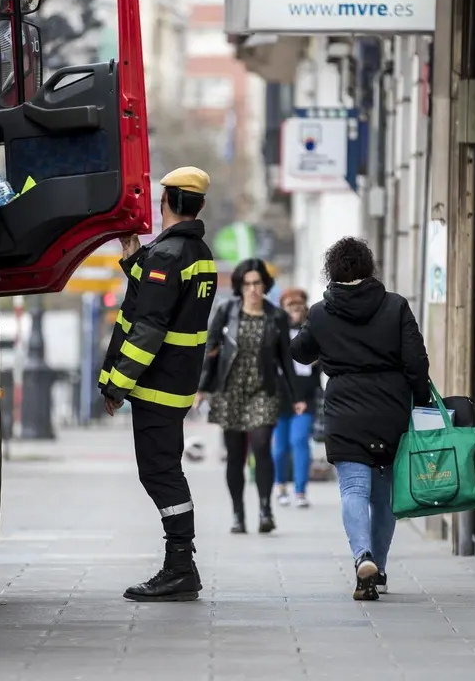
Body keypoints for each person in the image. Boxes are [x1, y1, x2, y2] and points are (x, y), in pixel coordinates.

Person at [98, 166, 218, 603]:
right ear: (199, 205)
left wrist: (117, 385)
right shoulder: (198, 253)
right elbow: (165, 301)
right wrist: (135, 261)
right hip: (178, 383)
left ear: (165, 201)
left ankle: (180, 567)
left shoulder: (167, 256)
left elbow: (149, 326)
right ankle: (180, 565)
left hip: (156, 386)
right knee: (165, 471)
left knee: (161, 474)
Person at [290, 237, 430, 601]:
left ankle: (361, 557)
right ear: (369, 268)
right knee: (383, 499)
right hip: (390, 410)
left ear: (331, 271)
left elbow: (301, 353)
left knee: (353, 489)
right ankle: (378, 569)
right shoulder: (396, 306)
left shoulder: (321, 312)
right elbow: (416, 362)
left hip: (345, 410)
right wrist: (422, 402)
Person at [198, 258, 306, 535]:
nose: (252, 289)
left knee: (260, 446)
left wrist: (296, 396)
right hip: (230, 390)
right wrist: (202, 388)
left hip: (263, 390)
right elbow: (210, 352)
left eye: (257, 283)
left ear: (264, 285)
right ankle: (237, 513)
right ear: (239, 286)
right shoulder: (226, 311)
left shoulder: (276, 316)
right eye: (247, 284)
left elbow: (285, 358)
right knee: (235, 455)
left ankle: (265, 508)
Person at [273, 288, 322, 508]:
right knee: (280, 446)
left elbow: (323, 359)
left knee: (300, 441)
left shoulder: (312, 331)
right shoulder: (275, 331)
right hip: (279, 396)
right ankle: (280, 485)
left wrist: (318, 359)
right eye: (290, 306)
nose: (294, 310)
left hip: (305, 396)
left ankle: (301, 490)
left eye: (298, 305)